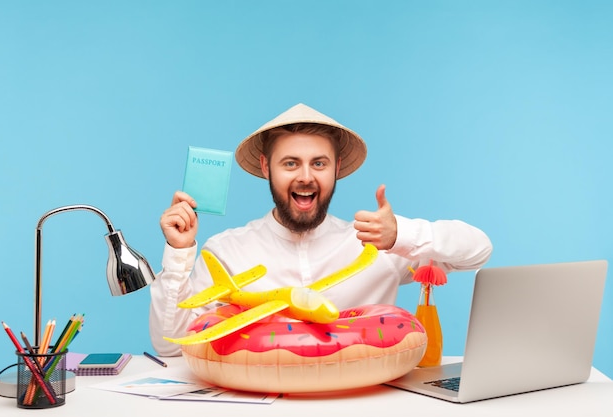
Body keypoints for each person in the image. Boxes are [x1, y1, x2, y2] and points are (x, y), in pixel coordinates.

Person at [149, 103, 492, 356]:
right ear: (266, 167)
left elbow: (477, 250)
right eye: (290, 163)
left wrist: (402, 234)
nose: (306, 177)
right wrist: (179, 252)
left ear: (337, 168)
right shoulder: (226, 251)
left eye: (319, 163)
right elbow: (169, 346)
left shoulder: (376, 245)